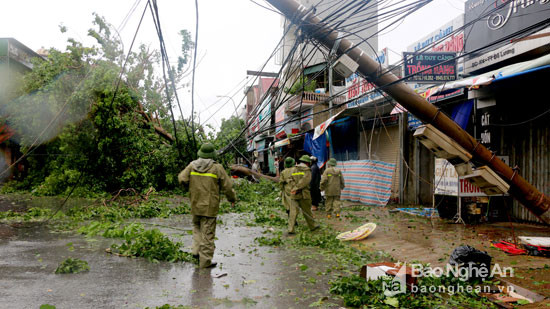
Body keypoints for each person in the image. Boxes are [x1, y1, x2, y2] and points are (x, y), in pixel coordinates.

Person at [178, 143, 236, 268]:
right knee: (208, 235)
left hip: (195, 204)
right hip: (210, 206)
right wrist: (232, 199)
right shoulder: (217, 168)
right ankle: (205, 263)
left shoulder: (192, 165)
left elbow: (182, 178)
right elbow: (228, 187)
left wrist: (190, 189)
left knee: (197, 228)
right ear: (212, 155)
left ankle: (195, 252)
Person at [288, 155, 319, 234]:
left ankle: (291, 229)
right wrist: (297, 188)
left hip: (294, 194)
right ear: (308, 163)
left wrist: (293, 188)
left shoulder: (293, 169)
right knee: (307, 211)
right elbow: (306, 181)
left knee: (293, 212)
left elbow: (289, 180)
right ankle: (312, 226)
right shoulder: (307, 170)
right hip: (304, 194)